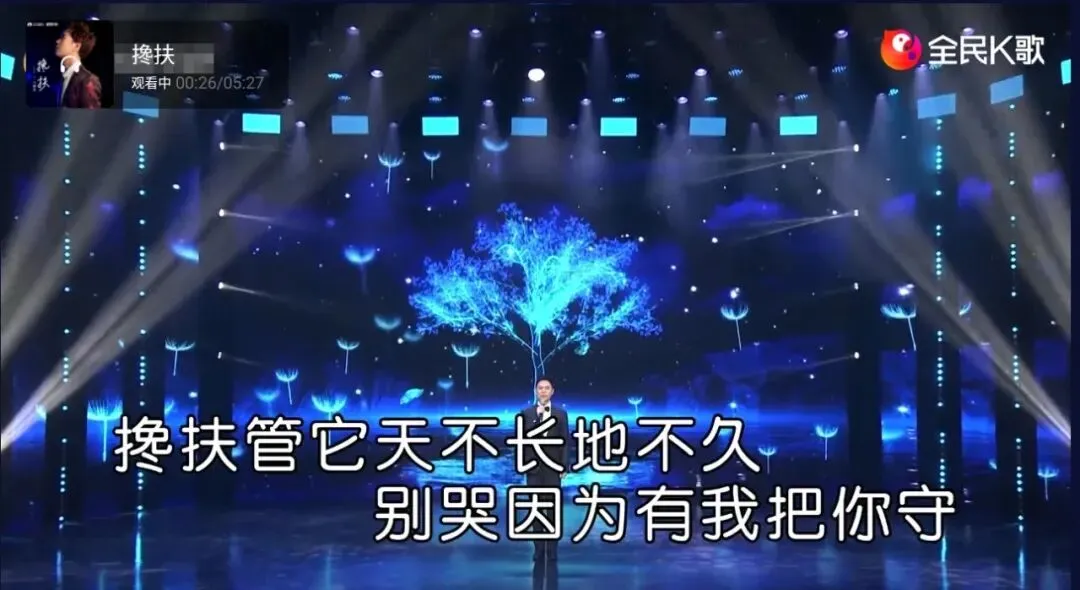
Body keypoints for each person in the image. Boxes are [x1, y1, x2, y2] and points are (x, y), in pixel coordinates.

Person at [517, 377, 569, 562]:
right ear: (536, 391)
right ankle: (538, 549)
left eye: (547, 388)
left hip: (553, 468)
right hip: (533, 468)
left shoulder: (560, 414)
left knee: (553, 509)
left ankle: (552, 549)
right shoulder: (526, 413)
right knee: (536, 508)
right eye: (540, 388)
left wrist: (564, 465)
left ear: (552, 391)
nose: (544, 391)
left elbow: (565, 441)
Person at [55, 21, 102, 109]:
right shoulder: (62, 77)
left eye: (63, 37)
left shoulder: (87, 80)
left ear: (76, 46)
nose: (57, 41)